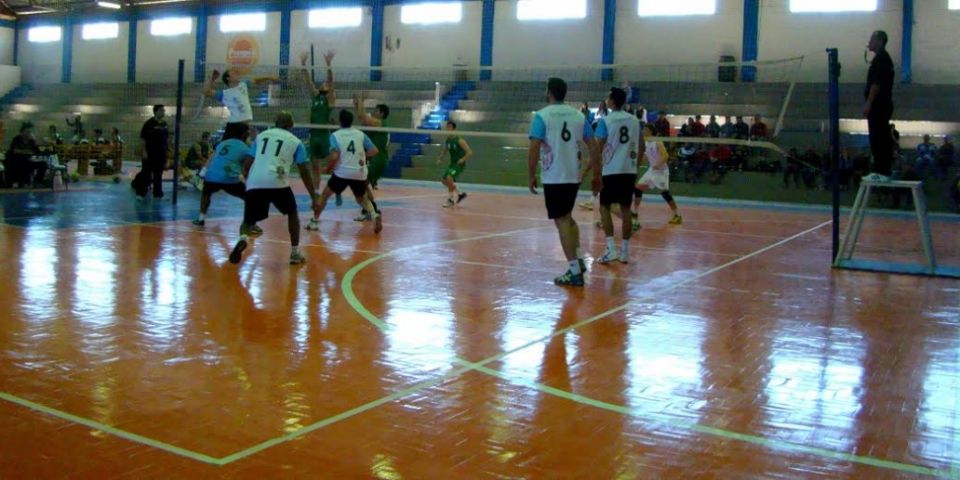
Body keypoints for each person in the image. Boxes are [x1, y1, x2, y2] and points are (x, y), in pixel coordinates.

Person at [528, 77, 598, 287]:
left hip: (555, 176)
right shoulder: (578, 115)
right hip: (573, 175)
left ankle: (575, 272)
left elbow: (533, 148)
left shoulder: (542, 116)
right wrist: (597, 175)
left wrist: (531, 174)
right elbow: (593, 146)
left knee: (562, 221)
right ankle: (578, 260)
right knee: (568, 218)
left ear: (549, 92)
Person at [229, 112, 321, 265]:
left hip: (256, 180)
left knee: (248, 220)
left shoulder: (261, 136)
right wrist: (313, 195)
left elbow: (248, 160)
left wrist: (245, 175)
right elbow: (304, 171)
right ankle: (294, 252)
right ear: (291, 125)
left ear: (275, 122)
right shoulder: (296, 142)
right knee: (292, 213)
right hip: (277, 181)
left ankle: (243, 239)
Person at [310, 109, 383, 234]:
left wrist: (328, 168)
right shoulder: (360, 134)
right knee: (362, 199)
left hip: (342, 173)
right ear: (351, 121)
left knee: (325, 195)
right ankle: (374, 214)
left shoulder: (335, 135)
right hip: (359, 173)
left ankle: (314, 221)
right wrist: (361, 157)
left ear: (340, 121)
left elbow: (334, 156)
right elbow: (374, 151)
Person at [592, 87, 640, 265]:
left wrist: (593, 169)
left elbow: (598, 147)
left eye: (608, 97)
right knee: (626, 210)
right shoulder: (634, 120)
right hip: (629, 170)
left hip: (611, 170)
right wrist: (635, 165)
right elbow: (641, 145)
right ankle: (625, 252)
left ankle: (611, 248)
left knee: (604, 207)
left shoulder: (606, 121)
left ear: (612, 101)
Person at [193, 123, 260, 234]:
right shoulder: (244, 147)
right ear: (243, 135)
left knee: (206, 193)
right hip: (228, 179)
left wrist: (203, 172)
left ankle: (200, 218)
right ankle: (250, 224)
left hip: (211, 176)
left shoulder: (222, 143)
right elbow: (249, 163)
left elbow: (212, 158)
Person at [300, 49, 343, 212]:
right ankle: (317, 193)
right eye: (322, 83)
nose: (323, 84)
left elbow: (331, 83)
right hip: (314, 136)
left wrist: (329, 65)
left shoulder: (330, 100)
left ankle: (337, 189)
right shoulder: (315, 97)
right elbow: (308, 82)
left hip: (324, 136)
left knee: (333, 163)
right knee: (315, 167)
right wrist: (303, 65)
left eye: (325, 84)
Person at [634, 123, 682, 229]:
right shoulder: (646, 142)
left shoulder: (657, 142)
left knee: (665, 193)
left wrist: (657, 164)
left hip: (661, 171)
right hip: (651, 171)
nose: (643, 131)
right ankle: (635, 212)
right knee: (638, 189)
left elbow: (665, 156)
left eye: (645, 129)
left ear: (651, 131)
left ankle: (677, 215)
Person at [352, 90, 390, 222]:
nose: (374, 112)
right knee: (364, 185)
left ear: (381, 114)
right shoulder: (375, 124)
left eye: (376, 110)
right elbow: (362, 119)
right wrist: (357, 105)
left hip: (378, 159)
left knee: (361, 185)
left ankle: (369, 211)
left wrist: (362, 101)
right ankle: (372, 209)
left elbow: (363, 118)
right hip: (374, 159)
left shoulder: (380, 123)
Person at [862, 30, 895, 182]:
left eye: (872, 39)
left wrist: (869, 102)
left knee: (879, 136)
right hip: (880, 104)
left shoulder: (882, 59)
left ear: (880, 41)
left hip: (879, 105)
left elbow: (877, 83)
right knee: (876, 136)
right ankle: (880, 169)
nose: (869, 42)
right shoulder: (880, 59)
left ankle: (883, 171)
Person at [204, 68, 280, 128]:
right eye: (233, 73)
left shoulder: (243, 85)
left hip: (245, 124)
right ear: (228, 78)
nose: (237, 74)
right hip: (234, 124)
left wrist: (269, 78)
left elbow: (256, 80)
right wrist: (212, 79)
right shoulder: (225, 94)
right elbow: (207, 92)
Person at [132, 105, 169, 200]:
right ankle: (140, 194)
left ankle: (158, 194)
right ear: (156, 112)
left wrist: (167, 153)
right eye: (162, 110)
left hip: (161, 153)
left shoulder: (165, 124)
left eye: (164, 110)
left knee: (158, 174)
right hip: (150, 153)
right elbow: (142, 139)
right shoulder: (148, 123)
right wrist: (144, 151)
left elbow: (167, 139)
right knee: (146, 173)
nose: (164, 112)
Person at [436, 120, 472, 208]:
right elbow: (445, 150)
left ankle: (450, 200)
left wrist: (463, 159)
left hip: (459, 164)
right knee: (444, 181)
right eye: (447, 127)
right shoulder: (448, 140)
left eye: (449, 127)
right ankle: (460, 194)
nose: (447, 129)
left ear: (454, 129)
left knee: (449, 178)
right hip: (452, 164)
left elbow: (469, 152)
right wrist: (440, 159)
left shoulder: (459, 140)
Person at [5, 122, 44, 188]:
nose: (29, 133)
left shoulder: (31, 141)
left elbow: (36, 152)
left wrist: (36, 143)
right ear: (22, 132)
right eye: (27, 132)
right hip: (16, 161)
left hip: (28, 160)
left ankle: (37, 181)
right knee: (22, 162)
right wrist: (26, 152)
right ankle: (22, 182)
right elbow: (14, 150)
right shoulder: (17, 139)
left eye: (30, 132)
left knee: (43, 164)